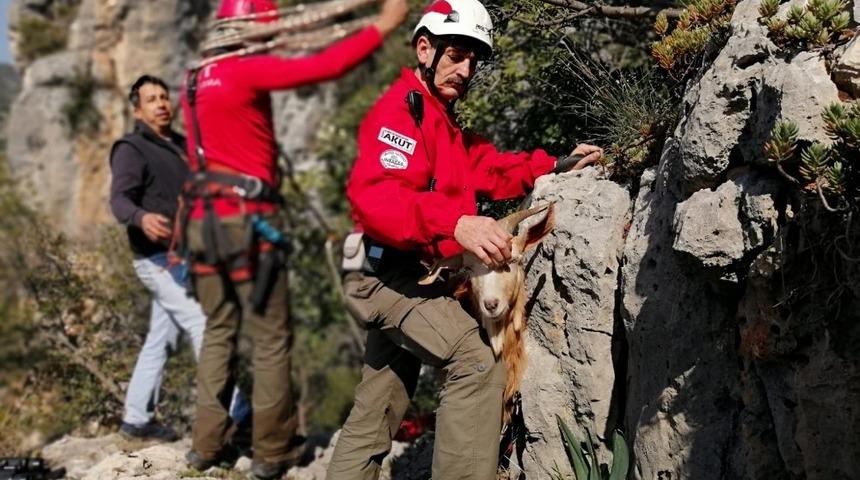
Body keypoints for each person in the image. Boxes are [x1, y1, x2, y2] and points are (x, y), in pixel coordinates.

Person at [325, 0, 603, 478]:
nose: (466, 68)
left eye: (475, 59)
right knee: (476, 359)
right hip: (387, 273)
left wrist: (553, 164)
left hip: (398, 271)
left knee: (379, 405)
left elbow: (487, 167)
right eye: (456, 54)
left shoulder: (440, 117)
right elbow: (377, 198)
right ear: (425, 48)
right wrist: (454, 224)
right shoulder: (401, 112)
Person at [178, 1, 409, 478]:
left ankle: (205, 446)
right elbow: (322, 66)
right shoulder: (244, 70)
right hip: (245, 222)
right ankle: (273, 452)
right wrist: (383, 26)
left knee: (219, 330)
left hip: (202, 222)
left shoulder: (194, 78)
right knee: (269, 338)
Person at [108, 75, 249, 442]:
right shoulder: (131, 148)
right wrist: (141, 217)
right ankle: (235, 416)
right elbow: (120, 199)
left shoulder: (183, 146)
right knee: (205, 322)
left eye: (163, 97)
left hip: (188, 254)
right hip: (156, 258)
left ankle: (136, 420)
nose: (161, 104)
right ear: (137, 110)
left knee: (161, 338)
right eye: (151, 99)